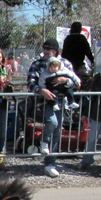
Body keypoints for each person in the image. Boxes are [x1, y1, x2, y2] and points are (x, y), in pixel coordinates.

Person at [26, 38, 80, 177]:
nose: (45, 52)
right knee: (52, 122)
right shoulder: (37, 63)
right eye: (44, 49)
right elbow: (30, 82)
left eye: (48, 49)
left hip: (62, 102)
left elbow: (75, 82)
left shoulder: (65, 64)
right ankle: (43, 140)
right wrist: (41, 90)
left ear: (55, 51)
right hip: (44, 102)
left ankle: (50, 163)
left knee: (58, 129)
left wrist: (66, 81)